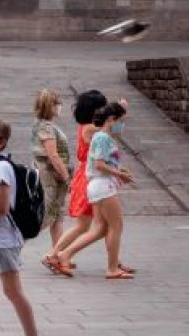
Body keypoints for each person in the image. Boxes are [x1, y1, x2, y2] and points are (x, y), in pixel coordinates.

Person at [0, 117, 45, 336]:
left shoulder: (0, 168)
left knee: (13, 292)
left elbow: (2, 206)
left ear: (1, 141)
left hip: (4, 240)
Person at [51, 103, 135, 279]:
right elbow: (99, 164)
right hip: (103, 186)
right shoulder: (103, 138)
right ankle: (112, 268)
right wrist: (120, 173)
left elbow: (100, 163)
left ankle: (65, 254)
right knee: (115, 226)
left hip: (98, 185)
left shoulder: (99, 136)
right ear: (111, 120)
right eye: (121, 120)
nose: (122, 125)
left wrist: (120, 171)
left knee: (100, 229)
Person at [42, 90, 106, 271]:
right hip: (88, 178)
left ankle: (56, 255)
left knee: (86, 225)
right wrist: (119, 110)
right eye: (102, 108)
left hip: (86, 176)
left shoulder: (87, 127)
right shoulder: (90, 128)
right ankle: (55, 255)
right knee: (85, 225)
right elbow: (110, 125)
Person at [31, 89, 71, 250]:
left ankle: (58, 254)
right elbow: (53, 155)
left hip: (54, 178)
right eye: (57, 103)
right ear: (50, 106)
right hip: (50, 178)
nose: (59, 106)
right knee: (47, 215)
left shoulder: (44, 125)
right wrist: (66, 176)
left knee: (57, 216)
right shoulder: (46, 127)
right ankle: (15, 241)